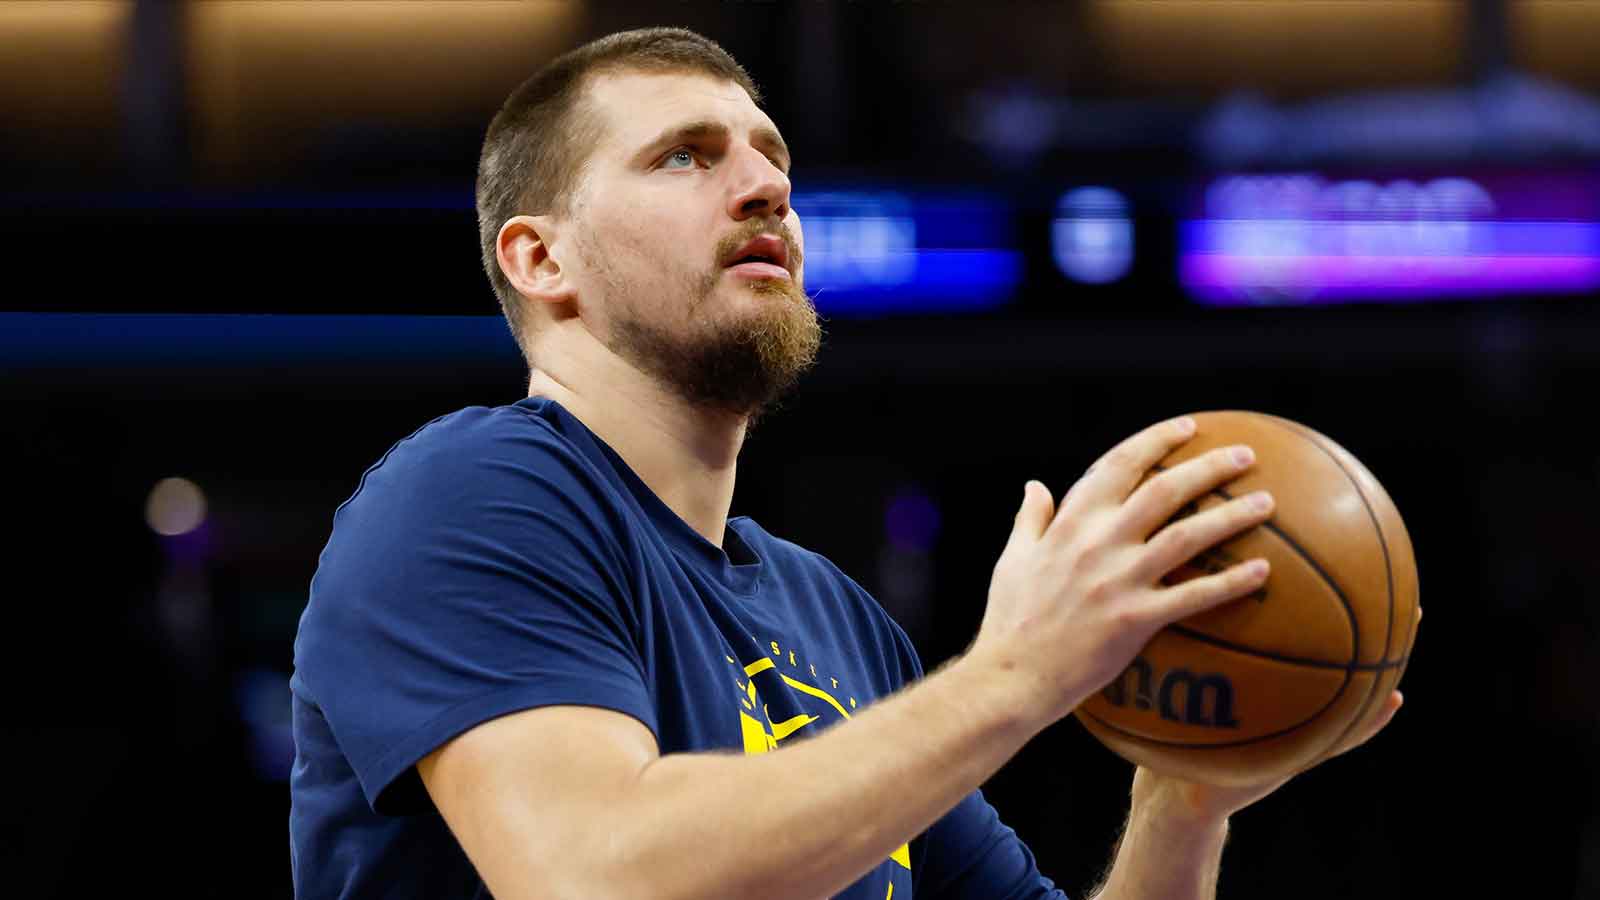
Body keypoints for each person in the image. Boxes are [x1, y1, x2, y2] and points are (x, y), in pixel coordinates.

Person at [288, 27, 1408, 900]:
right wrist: (1022, 672)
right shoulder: (469, 496)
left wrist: (1181, 798)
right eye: (684, 156)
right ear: (540, 257)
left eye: (771, 157)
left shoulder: (832, 619)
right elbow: (595, 872)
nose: (765, 185)